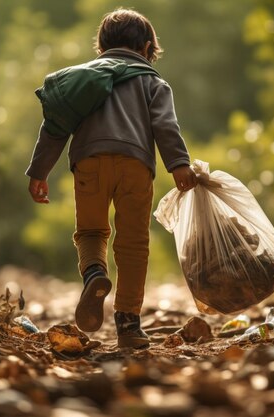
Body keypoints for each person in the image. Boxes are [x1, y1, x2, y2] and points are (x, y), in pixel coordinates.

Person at [25, 8, 197, 348]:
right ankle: (128, 323)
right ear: (148, 48)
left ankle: (94, 274)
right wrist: (178, 164)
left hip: (89, 162)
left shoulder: (81, 80)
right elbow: (165, 125)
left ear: (100, 47)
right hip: (135, 165)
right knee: (133, 243)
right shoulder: (153, 82)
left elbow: (55, 127)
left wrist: (39, 172)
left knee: (91, 231)